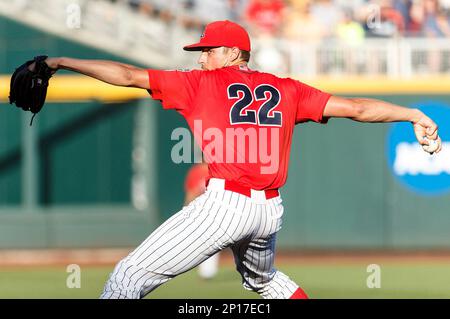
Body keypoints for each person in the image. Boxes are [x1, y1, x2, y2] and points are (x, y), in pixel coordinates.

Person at [41, 20, 442, 299]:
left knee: (127, 278)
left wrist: (59, 62)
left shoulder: (200, 83)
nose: (200, 58)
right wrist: (412, 114)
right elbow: (356, 107)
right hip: (269, 211)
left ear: (233, 52)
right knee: (266, 283)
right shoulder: (286, 88)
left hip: (226, 204)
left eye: (207, 51)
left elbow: (127, 76)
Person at [184, 162, 220, 280]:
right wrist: (187, 211)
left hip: (217, 212)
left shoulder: (220, 170)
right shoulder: (196, 171)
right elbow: (190, 193)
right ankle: (205, 272)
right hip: (200, 212)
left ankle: (207, 272)